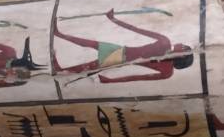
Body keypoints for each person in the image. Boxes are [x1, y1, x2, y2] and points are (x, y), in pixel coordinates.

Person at [51, 9, 193, 84]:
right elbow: (136, 30)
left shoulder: (167, 69)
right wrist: (113, 19)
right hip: (122, 50)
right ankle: (59, 35)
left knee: (91, 62)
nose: (181, 44)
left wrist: (112, 81)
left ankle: (61, 69)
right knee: (92, 44)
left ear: (180, 56)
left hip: (120, 59)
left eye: (183, 47)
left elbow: (137, 78)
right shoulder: (165, 42)